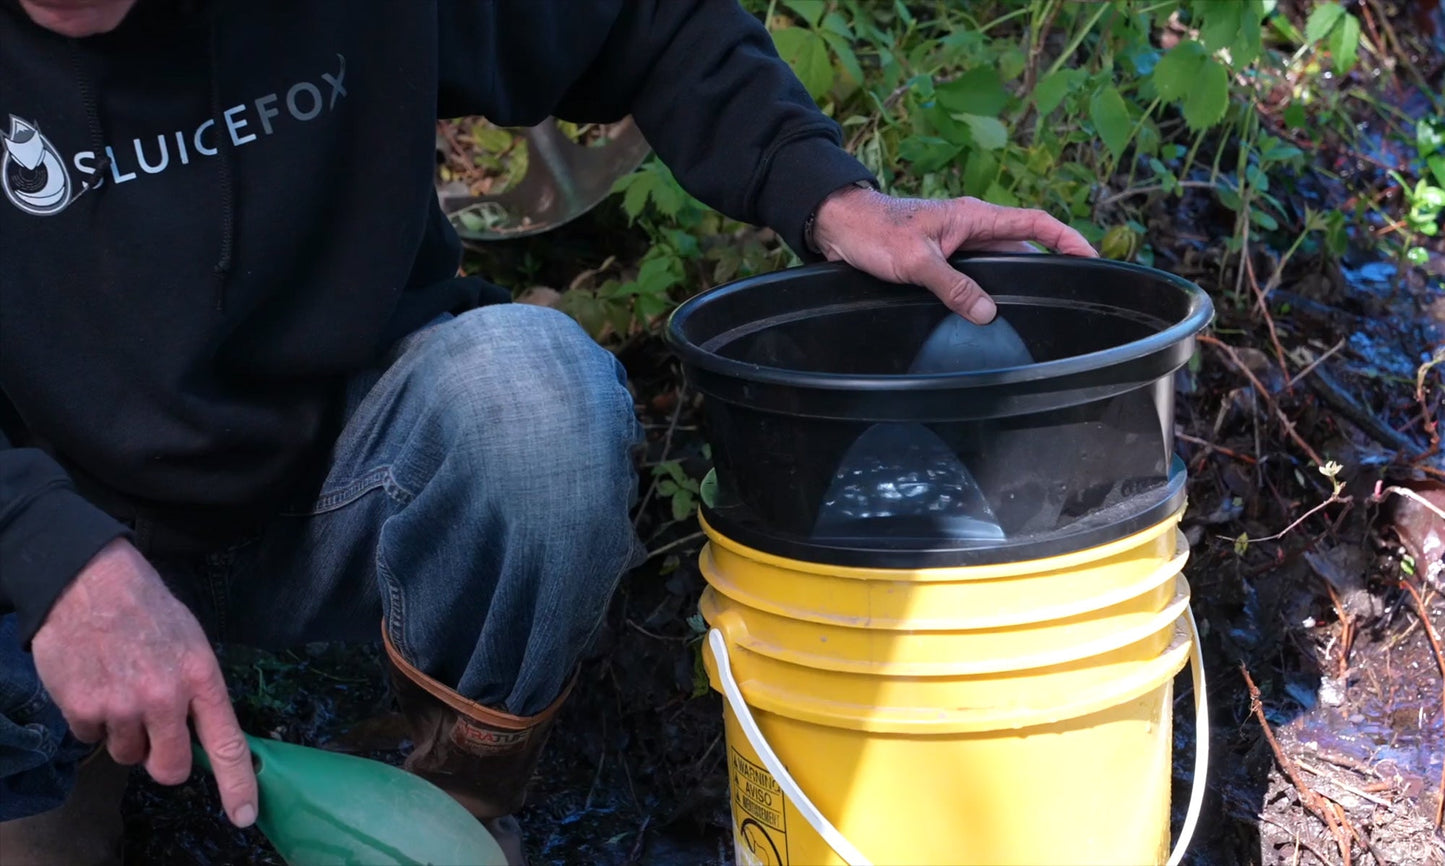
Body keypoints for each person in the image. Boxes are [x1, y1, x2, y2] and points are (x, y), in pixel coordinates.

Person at [0, 1, 1098, 863]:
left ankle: (442, 791)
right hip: (43, 513)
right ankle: (52, 779)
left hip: (333, 481)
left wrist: (829, 195)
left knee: (536, 398)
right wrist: (58, 556)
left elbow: (641, 24)